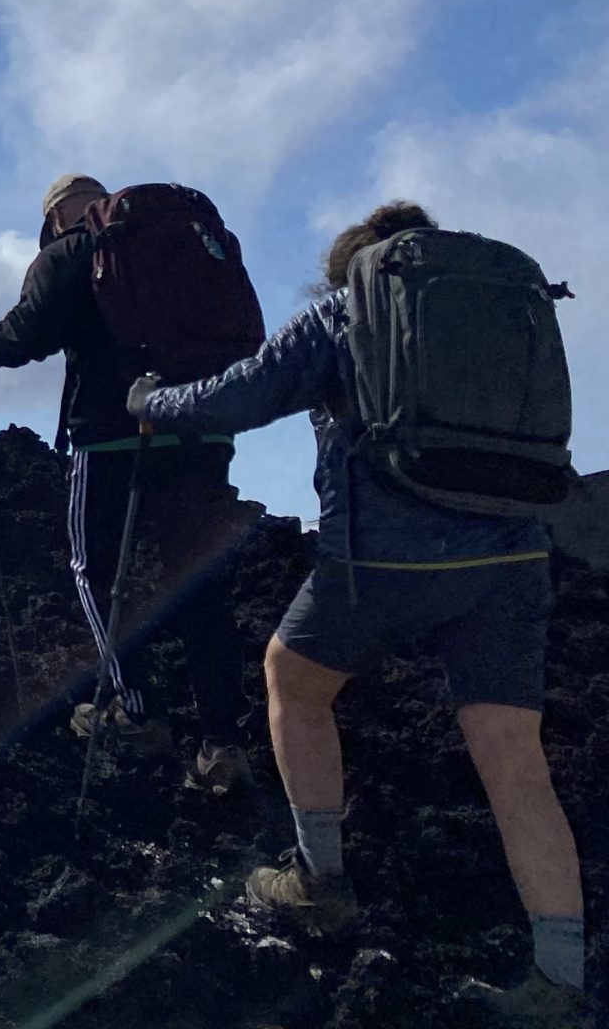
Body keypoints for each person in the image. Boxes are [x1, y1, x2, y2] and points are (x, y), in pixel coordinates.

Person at [133, 202, 585, 1025]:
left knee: (293, 680)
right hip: (514, 557)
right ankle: (561, 976)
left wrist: (153, 401)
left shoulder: (347, 308)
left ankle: (320, 884)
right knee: (518, 761)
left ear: (354, 263)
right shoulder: (488, 310)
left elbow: (237, 397)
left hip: (382, 557)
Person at [0, 173, 253, 795]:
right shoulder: (192, 243)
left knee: (95, 570)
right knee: (199, 581)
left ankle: (136, 713)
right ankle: (223, 743)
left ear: (57, 216)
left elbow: (24, 336)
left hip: (111, 435)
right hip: (201, 428)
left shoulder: (71, 252)